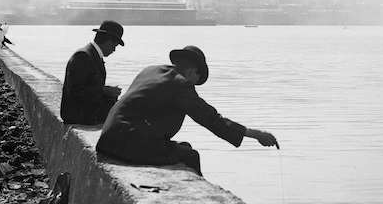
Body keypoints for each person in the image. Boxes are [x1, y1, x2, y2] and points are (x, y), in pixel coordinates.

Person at [96, 45, 278, 176]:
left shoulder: (151, 70)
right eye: (195, 82)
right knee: (191, 156)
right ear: (191, 72)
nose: (194, 87)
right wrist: (255, 134)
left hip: (109, 138)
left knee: (183, 148)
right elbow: (209, 117)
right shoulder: (180, 83)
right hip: (127, 143)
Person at [60, 20, 125, 126]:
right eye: (115, 45)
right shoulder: (83, 56)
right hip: (79, 115)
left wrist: (108, 93)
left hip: (84, 112)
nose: (114, 50)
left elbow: (86, 88)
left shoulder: (90, 54)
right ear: (109, 41)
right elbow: (75, 91)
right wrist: (104, 91)